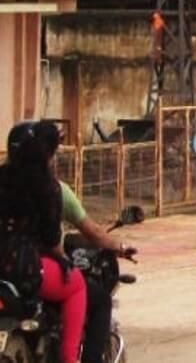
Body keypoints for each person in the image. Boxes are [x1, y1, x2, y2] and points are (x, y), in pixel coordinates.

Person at [0, 121, 86, 363]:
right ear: (49, 154)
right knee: (77, 284)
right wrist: (64, 259)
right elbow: (52, 239)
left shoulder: (2, 176)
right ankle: (69, 358)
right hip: (22, 266)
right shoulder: (48, 187)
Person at [61, 174, 137, 363]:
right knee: (98, 299)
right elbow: (92, 232)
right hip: (38, 269)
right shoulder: (53, 189)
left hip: (8, 272)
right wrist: (119, 246)